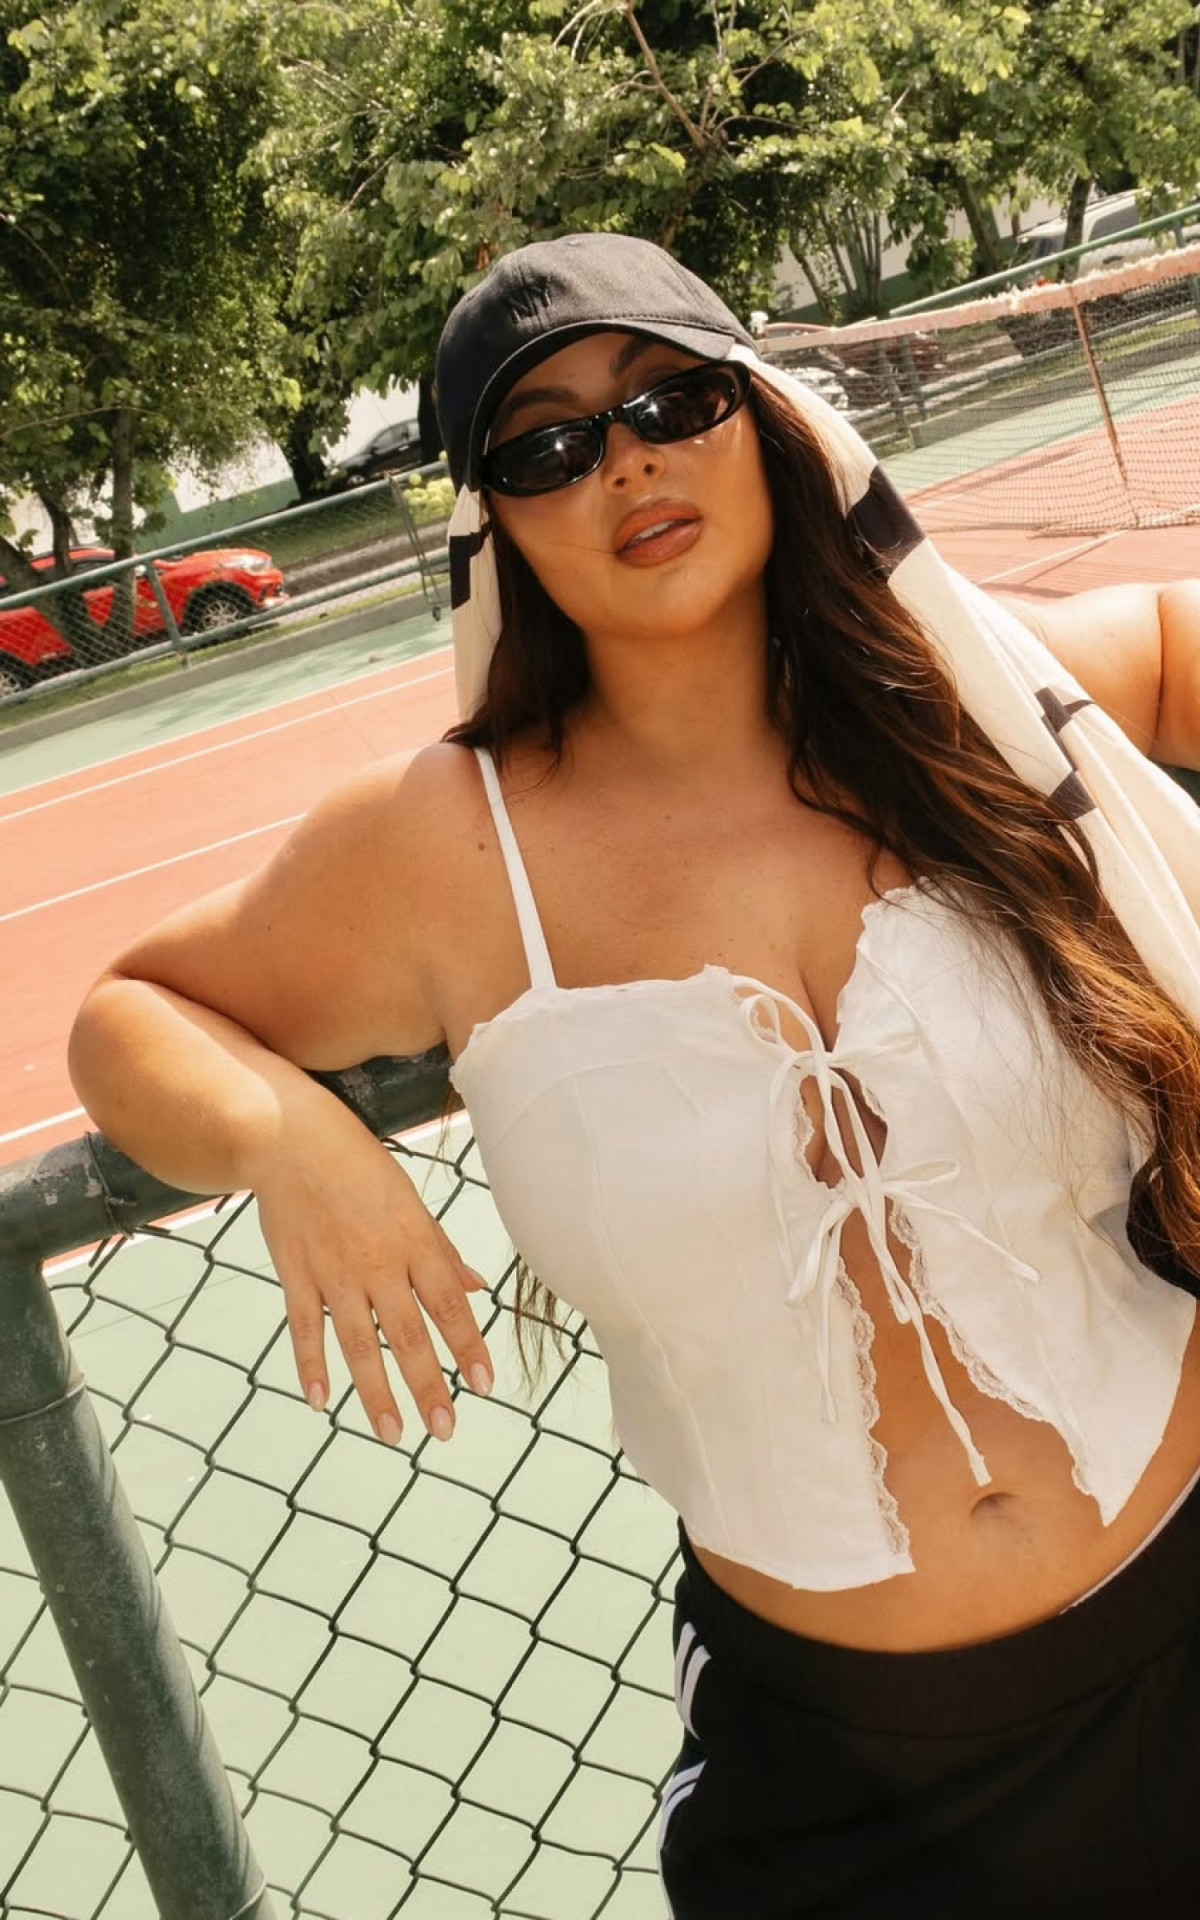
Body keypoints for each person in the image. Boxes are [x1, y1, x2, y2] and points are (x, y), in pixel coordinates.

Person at [68, 231, 1200, 1917]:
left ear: (766, 419)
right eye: (549, 446)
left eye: (672, 401)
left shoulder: (962, 696)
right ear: (496, 523)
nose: (628, 463)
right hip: (850, 1790)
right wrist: (288, 1135)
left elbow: (1170, 642)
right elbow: (131, 1013)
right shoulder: (445, 847)